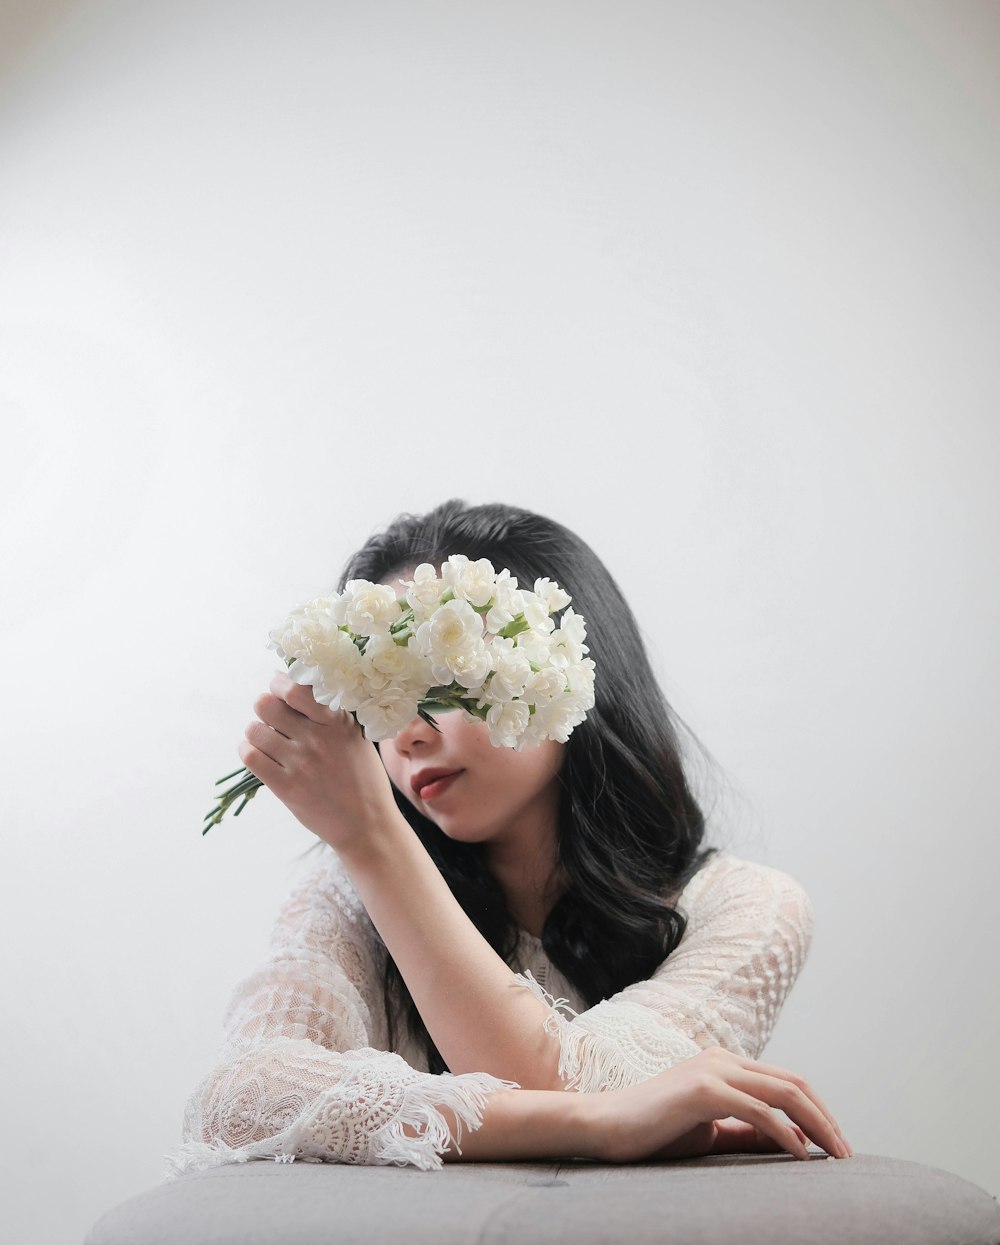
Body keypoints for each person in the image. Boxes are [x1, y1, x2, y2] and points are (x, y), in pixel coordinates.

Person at [171, 499, 851, 1174]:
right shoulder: (350, 895)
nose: (407, 733)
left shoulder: (745, 908)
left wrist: (374, 839)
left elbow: (588, 1083)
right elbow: (238, 1099)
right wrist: (594, 1123)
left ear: (563, 669)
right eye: (379, 698)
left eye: (441, 681)